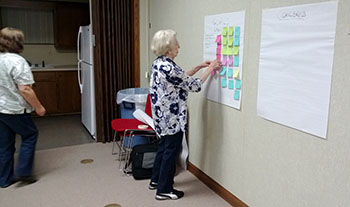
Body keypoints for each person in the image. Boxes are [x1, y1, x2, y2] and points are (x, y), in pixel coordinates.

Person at [149, 29, 222, 200]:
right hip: (171, 118)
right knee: (171, 151)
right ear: (168, 48)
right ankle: (164, 190)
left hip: (162, 117)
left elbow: (180, 79)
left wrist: (198, 66)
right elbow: (194, 85)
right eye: (176, 44)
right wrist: (211, 68)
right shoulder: (169, 67)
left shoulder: (160, 63)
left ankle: (156, 181)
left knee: (163, 147)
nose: (179, 46)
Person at [0, 27, 46, 188]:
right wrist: (39, 107)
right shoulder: (17, 61)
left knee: (4, 144)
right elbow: (25, 89)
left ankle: (4, 179)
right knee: (30, 135)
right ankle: (24, 172)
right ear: (18, 42)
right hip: (16, 110)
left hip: (1, 109)